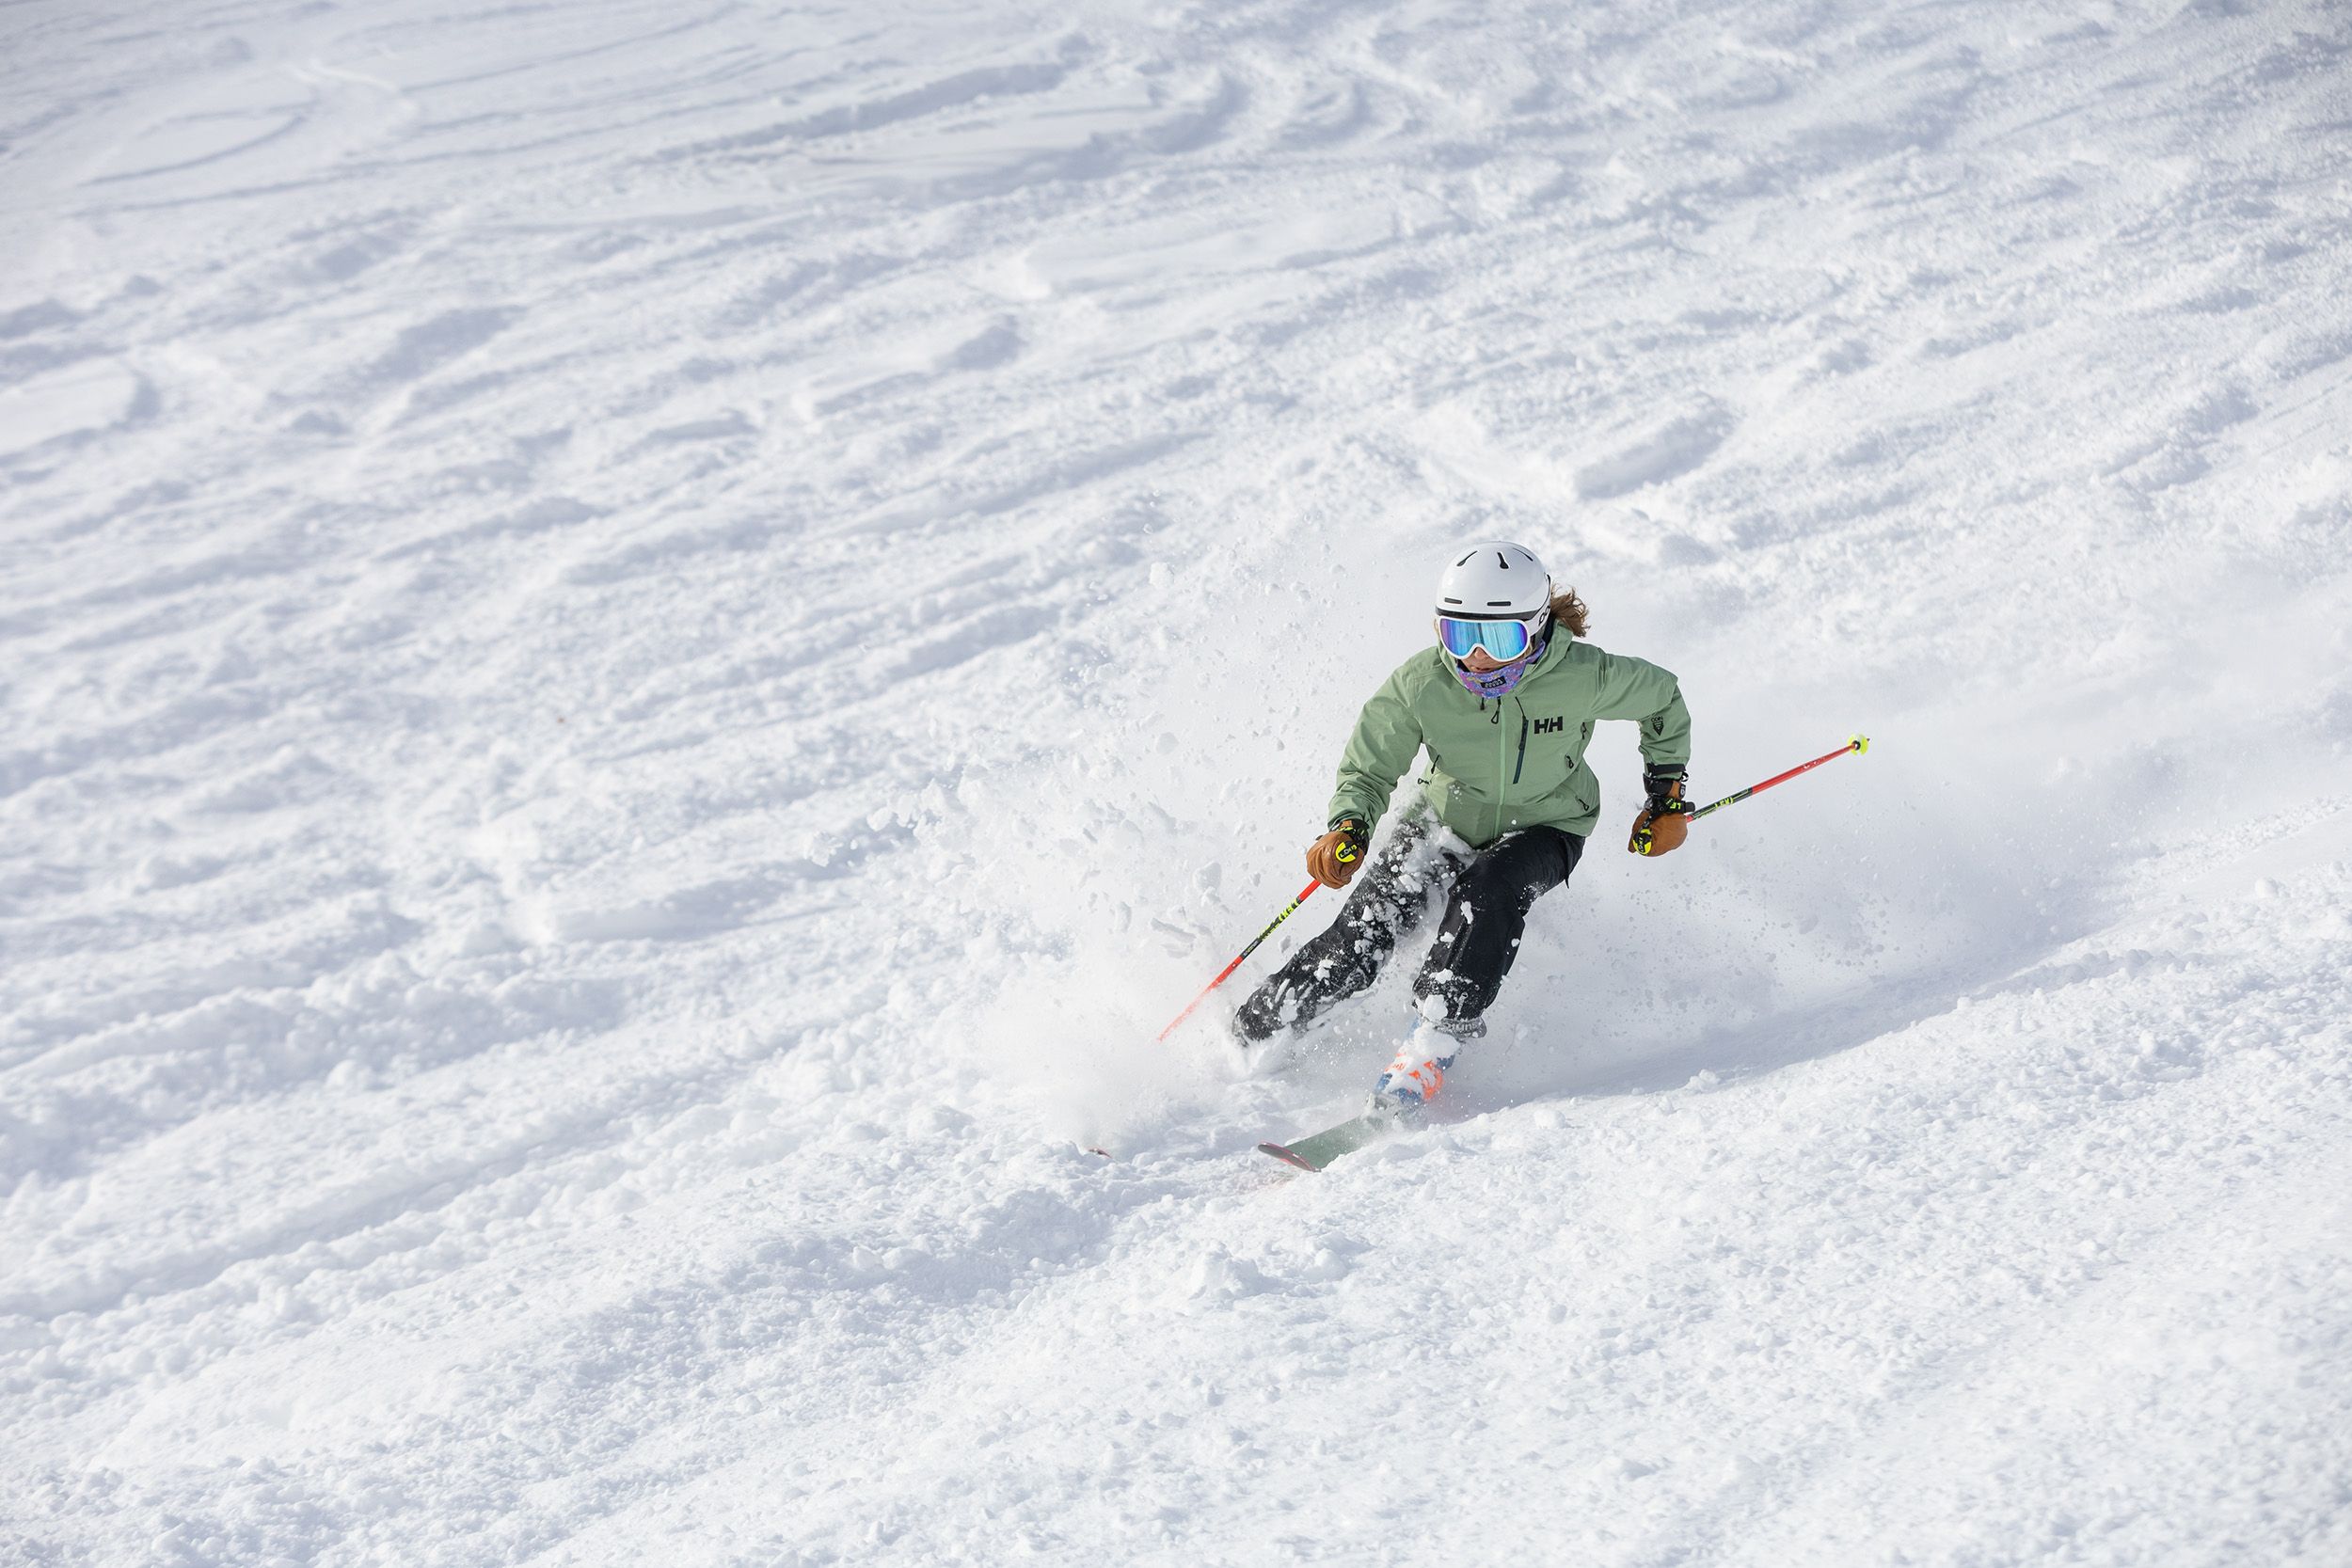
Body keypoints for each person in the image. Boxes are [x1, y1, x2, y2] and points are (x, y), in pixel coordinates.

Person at [1233, 541, 1693, 1116]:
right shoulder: (1423, 683)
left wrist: (1666, 796)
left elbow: (1664, 700)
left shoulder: (1585, 675)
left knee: (1489, 893)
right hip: (1442, 822)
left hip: (1550, 823)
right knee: (1363, 934)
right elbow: (1371, 764)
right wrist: (1349, 824)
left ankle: (1433, 1039)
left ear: (1536, 626)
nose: (1475, 658)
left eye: (1498, 640)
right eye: (1458, 636)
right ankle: (1254, 1031)